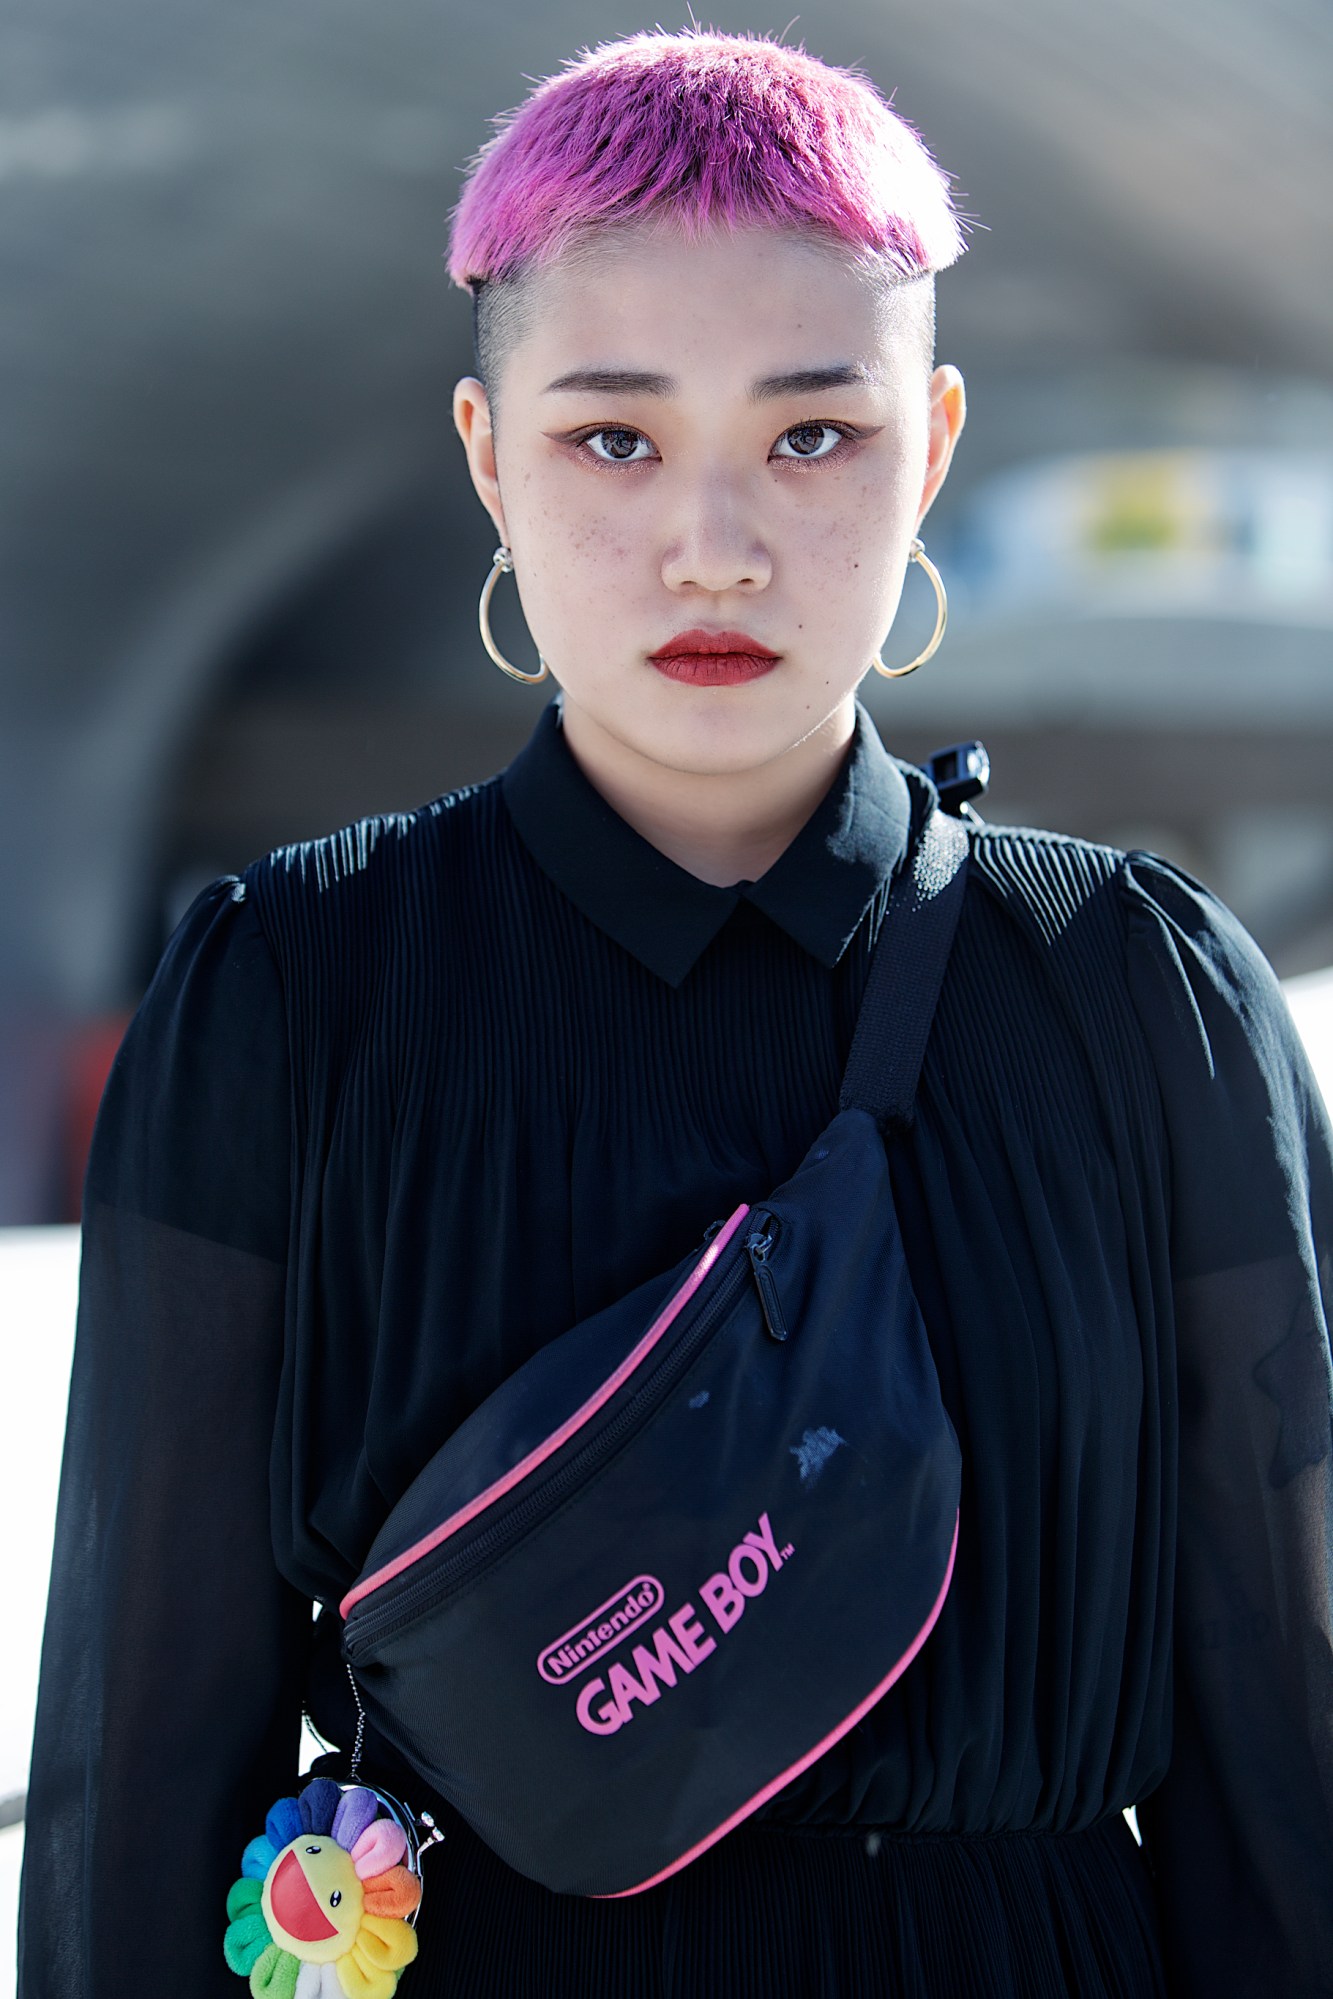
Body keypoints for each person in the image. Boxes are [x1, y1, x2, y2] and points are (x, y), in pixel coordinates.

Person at [18, 27, 1333, 1998]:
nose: (711, 540)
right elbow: (146, 1752)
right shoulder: (290, 991)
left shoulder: (1137, 997)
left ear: (936, 440)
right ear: (485, 452)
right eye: (611, 437)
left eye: (812, 434)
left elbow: (1289, 1755)